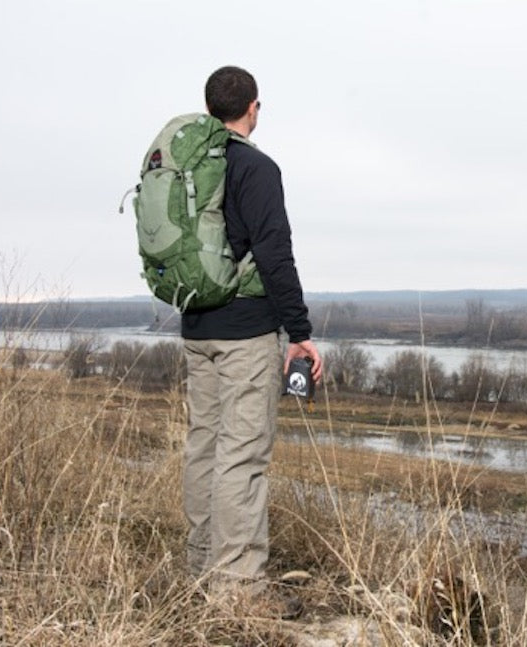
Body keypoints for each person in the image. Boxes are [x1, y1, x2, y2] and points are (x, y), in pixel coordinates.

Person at [180, 66, 323, 604]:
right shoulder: (256, 168)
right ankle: (237, 589)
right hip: (245, 335)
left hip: (197, 328)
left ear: (212, 107)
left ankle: (199, 570)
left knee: (204, 447)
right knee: (242, 456)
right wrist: (300, 332)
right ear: (252, 108)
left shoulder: (192, 167)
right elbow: (274, 252)